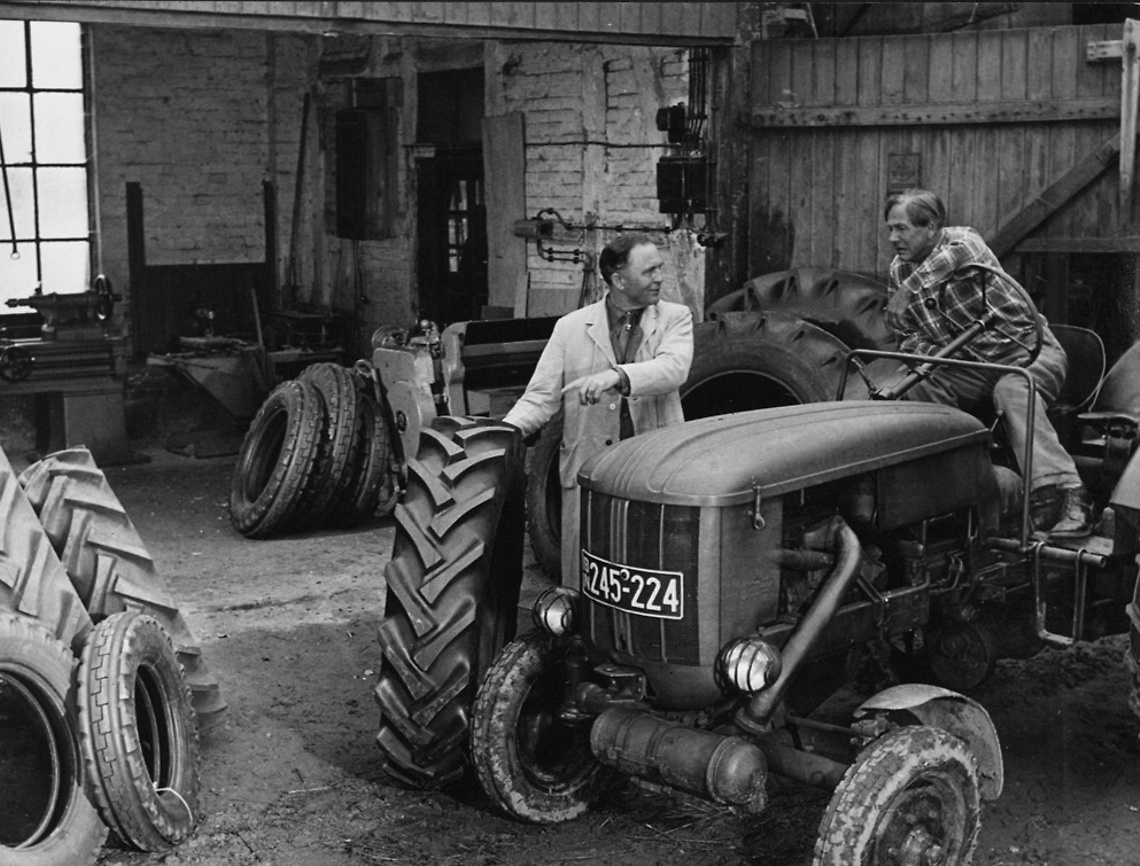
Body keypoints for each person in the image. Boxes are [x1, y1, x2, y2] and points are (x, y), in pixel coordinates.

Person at [882, 188, 1092, 538]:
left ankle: (1067, 494)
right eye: (890, 228)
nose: (893, 238)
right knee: (916, 381)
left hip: (1027, 353)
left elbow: (953, 257)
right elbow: (905, 336)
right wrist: (929, 349)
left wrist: (910, 289)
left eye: (901, 228)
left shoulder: (964, 242)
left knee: (1013, 389)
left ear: (931, 225)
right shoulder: (898, 270)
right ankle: (961, 479)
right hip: (968, 364)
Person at [503, 232, 694, 583]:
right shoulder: (571, 328)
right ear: (618, 280)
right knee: (586, 575)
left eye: (659, 268)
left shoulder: (675, 318)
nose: (659, 278)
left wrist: (615, 375)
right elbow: (541, 397)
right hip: (587, 470)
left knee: (650, 572)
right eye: (649, 271)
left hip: (650, 470)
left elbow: (673, 370)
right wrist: (503, 433)